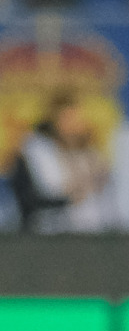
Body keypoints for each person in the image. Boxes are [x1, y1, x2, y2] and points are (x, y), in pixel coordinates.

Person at [12, 93, 113, 231]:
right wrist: (77, 190)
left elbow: (101, 185)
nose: (73, 125)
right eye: (67, 118)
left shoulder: (88, 151)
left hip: (89, 230)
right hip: (52, 229)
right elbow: (51, 192)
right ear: (54, 119)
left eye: (76, 119)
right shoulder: (39, 148)